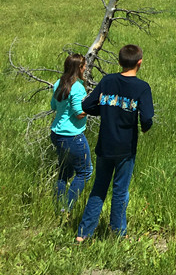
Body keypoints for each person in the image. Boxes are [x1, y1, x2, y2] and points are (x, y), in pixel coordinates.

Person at [75, 44, 154, 242]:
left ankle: (83, 234)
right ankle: (118, 234)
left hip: (105, 145)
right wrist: (144, 127)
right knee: (120, 191)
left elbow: (87, 105)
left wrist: (106, 110)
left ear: (119, 62)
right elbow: (147, 118)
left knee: (99, 189)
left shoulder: (108, 80)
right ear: (139, 62)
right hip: (125, 148)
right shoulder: (142, 88)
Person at [50, 53, 93, 211]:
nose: (86, 68)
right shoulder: (77, 87)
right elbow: (79, 112)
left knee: (64, 171)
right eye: (84, 66)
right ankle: (67, 208)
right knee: (85, 172)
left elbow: (53, 106)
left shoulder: (58, 83)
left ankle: (58, 205)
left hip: (57, 134)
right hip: (73, 136)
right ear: (79, 68)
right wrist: (92, 106)